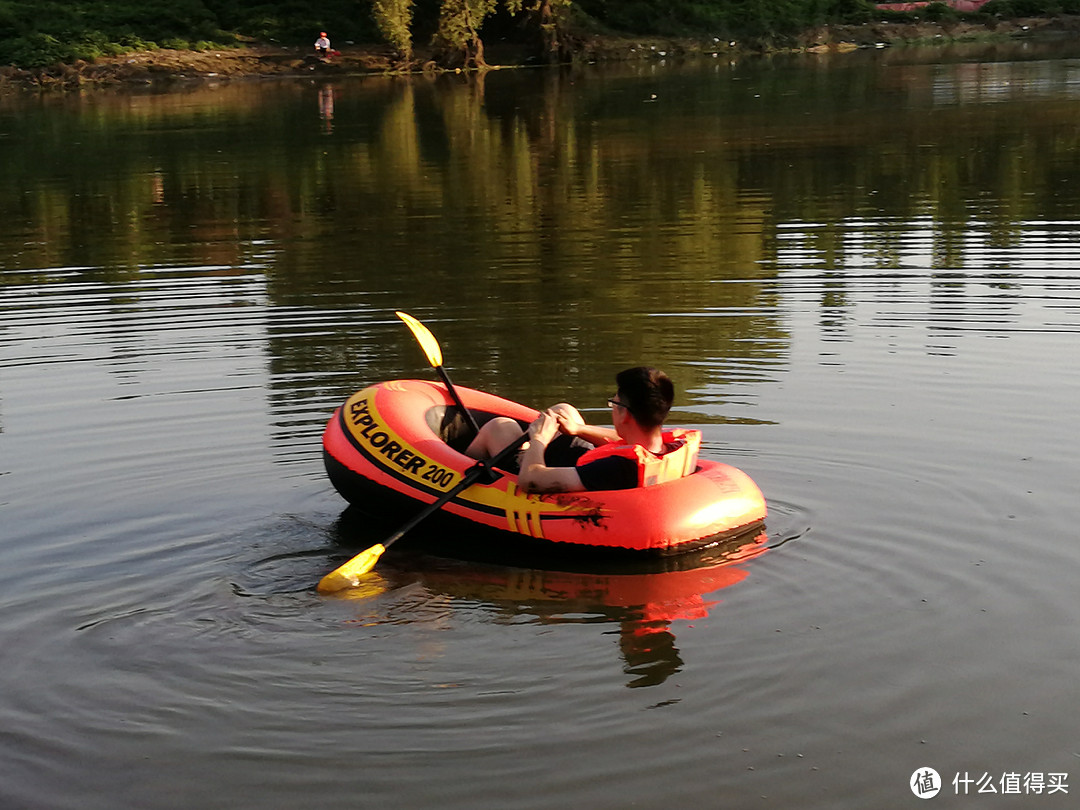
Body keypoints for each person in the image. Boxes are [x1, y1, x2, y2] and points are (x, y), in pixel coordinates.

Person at [465, 366, 700, 493]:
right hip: (587, 465)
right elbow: (624, 443)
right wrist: (578, 428)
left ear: (625, 413)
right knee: (564, 410)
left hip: (551, 477)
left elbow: (531, 481)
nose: (612, 408)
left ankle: (454, 466)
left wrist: (539, 440)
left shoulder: (614, 469)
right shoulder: (665, 446)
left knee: (499, 427)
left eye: (614, 403)